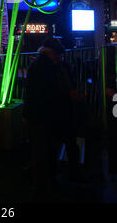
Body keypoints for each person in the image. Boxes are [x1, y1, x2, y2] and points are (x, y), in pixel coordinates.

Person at [23, 37, 80, 194]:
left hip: (41, 115)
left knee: (43, 150)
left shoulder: (42, 66)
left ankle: (43, 182)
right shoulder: (45, 68)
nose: (59, 58)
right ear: (50, 53)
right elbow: (48, 92)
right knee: (44, 151)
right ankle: (43, 184)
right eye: (57, 55)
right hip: (43, 115)